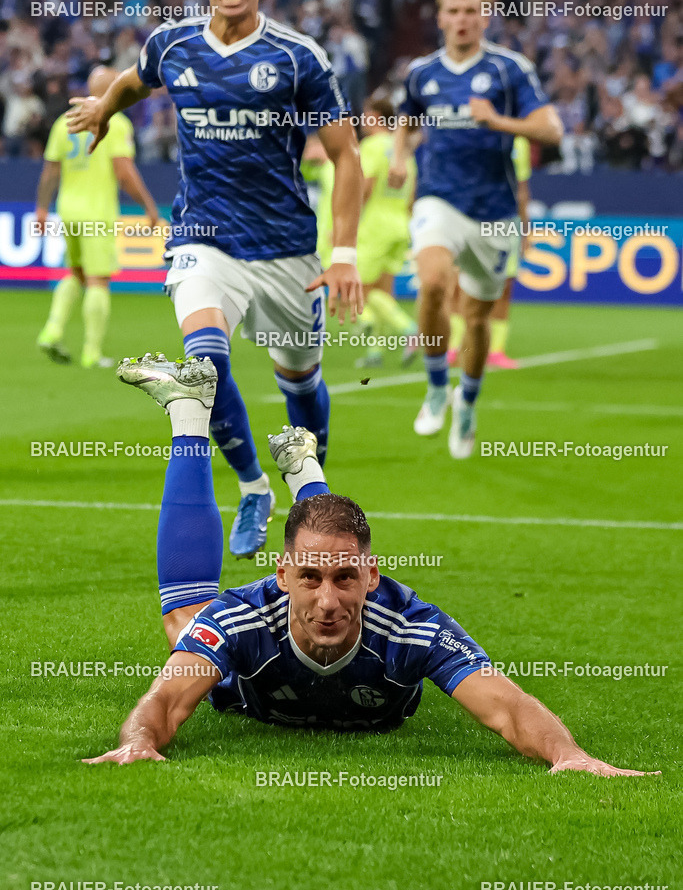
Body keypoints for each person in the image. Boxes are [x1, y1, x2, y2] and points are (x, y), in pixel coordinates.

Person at [84, 354, 659, 777]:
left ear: (373, 576)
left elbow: (507, 707)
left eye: (345, 578)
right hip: (250, 674)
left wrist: (570, 754)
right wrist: (138, 740)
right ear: (282, 577)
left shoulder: (413, 626)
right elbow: (163, 700)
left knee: (327, 539)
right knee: (180, 627)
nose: (327, 601)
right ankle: (190, 414)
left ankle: (306, 476)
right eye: (308, 578)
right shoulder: (243, 618)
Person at [65, 0, 364, 559]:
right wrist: (103, 110)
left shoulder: (297, 57)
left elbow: (347, 157)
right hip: (203, 236)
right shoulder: (172, 44)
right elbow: (133, 81)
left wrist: (343, 255)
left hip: (286, 249)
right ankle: (253, 485)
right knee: (204, 360)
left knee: (301, 383)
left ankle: (310, 493)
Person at [389, 0, 562, 459]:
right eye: (454, 11)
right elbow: (407, 115)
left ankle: (467, 401)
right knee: (432, 284)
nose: (463, 20)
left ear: (486, 17)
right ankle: (436, 385)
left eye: (473, 11)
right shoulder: (422, 72)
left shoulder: (510, 70)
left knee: (479, 317)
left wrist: (499, 121)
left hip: (494, 210)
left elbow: (551, 129)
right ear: (441, 17)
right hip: (438, 198)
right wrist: (401, 157)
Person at [35, 66, 159, 368]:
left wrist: (41, 208)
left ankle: (52, 331)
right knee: (98, 280)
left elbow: (50, 170)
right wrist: (149, 206)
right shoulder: (115, 122)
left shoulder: (65, 121)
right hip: (97, 212)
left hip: (68, 209)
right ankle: (92, 353)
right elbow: (124, 172)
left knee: (75, 272)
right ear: (114, 87)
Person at [307, 97, 418, 369]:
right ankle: (375, 352)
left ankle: (409, 329)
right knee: (382, 290)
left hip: (373, 227)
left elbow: (362, 187)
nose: (362, 120)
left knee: (361, 291)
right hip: (399, 224)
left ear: (377, 117)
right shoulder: (402, 150)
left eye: (367, 115)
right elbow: (412, 191)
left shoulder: (371, 147)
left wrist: (345, 227)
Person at [447, 134, 531, 370]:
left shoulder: (519, 143)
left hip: (506, 221)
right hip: (471, 217)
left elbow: (522, 189)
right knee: (458, 284)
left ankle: (496, 350)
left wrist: (526, 230)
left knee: (504, 287)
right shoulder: (468, 134)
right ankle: (454, 347)